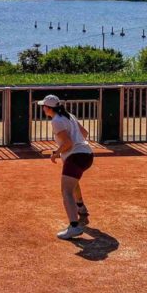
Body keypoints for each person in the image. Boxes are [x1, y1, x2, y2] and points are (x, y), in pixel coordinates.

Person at [38, 93, 94, 240]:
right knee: (72, 182)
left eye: (43, 106)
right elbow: (85, 133)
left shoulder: (56, 121)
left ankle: (74, 227)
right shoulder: (70, 116)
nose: (43, 109)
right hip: (87, 155)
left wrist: (56, 153)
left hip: (76, 157)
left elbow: (68, 143)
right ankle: (81, 207)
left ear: (48, 108)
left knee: (66, 191)